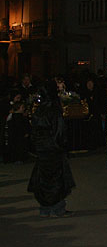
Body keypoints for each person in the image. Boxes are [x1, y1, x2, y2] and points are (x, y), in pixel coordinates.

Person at [28, 81, 75, 217]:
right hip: (53, 149)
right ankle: (57, 209)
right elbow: (60, 132)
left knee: (44, 178)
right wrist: (60, 146)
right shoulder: (54, 110)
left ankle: (45, 208)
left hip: (42, 149)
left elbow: (34, 132)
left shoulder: (38, 110)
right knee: (57, 179)